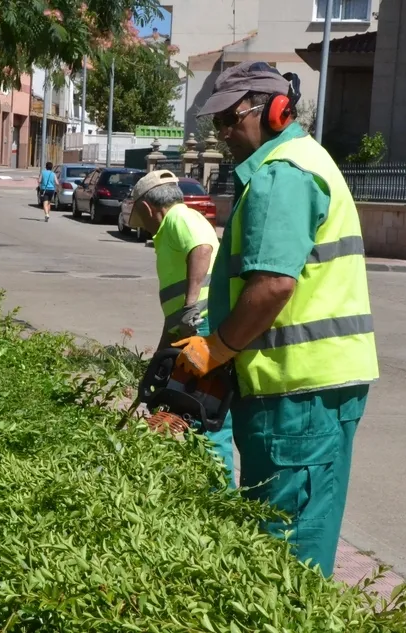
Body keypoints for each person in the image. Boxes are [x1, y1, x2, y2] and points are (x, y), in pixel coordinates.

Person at [173, 61, 380, 577]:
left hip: (297, 397)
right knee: (286, 541)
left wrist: (215, 349)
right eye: (217, 121)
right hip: (304, 392)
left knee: (283, 555)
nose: (223, 132)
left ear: (276, 111)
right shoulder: (300, 162)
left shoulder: (282, 174)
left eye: (231, 118)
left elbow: (272, 286)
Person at [128, 169, 236, 489]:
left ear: (147, 208)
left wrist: (190, 308)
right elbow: (174, 313)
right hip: (193, 329)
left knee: (204, 413)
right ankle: (206, 489)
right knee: (190, 413)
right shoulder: (172, 229)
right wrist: (162, 354)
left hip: (203, 328)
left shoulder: (179, 218)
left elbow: (202, 248)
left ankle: (219, 497)